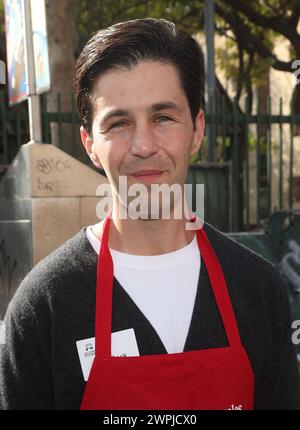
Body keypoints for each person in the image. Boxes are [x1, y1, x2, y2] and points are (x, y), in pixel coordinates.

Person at [0, 18, 300, 410]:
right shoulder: (45, 305)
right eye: (119, 123)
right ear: (90, 144)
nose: (143, 146)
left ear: (197, 130)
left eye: (163, 117)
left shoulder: (258, 289)